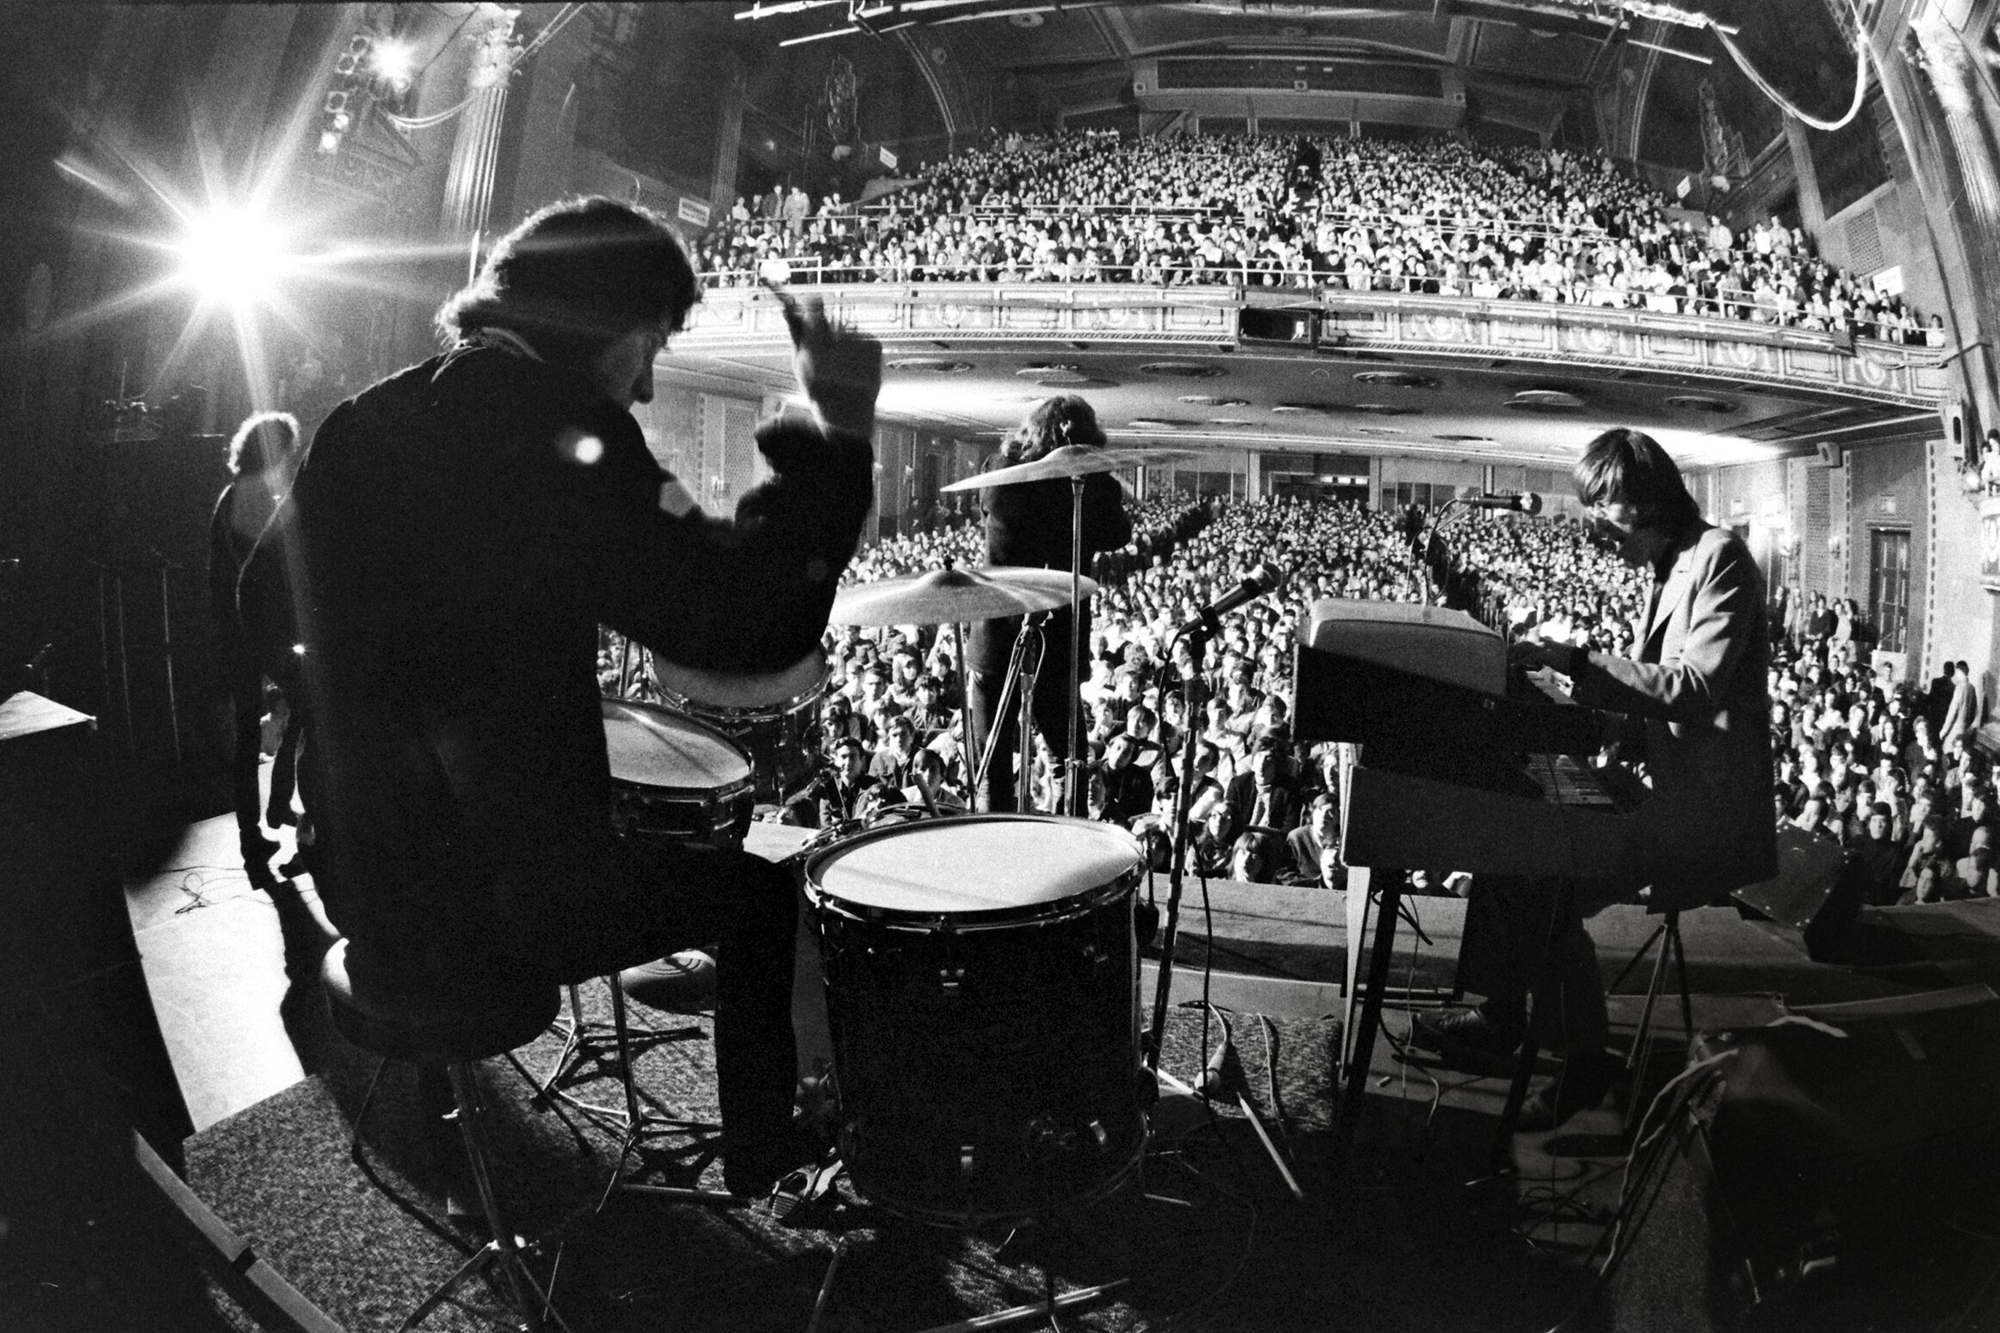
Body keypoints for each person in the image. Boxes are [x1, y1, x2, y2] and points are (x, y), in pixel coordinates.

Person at [239, 197, 881, 1196]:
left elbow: (261, 603)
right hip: (493, 907)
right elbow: (738, 624)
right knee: (758, 894)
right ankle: (770, 1150)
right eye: (650, 344)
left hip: (360, 877)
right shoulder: (554, 427)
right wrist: (835, 433)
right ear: (600, 317)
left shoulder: (367, 416)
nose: (648, 380)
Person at [1417, 428, 1775, 1131]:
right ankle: (1502, 1013)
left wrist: (1582, 664)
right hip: (1659, 787)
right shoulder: (1668, 564)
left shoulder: (1719, 557)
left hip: (1702, 814)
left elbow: (1694, 689)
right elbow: (1655, 708)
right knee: (1513, 834)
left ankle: (1584, 1059)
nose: (1597, 531)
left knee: (1549, 881)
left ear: (1641, 503)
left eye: (1602, 510)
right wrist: (1572, 703)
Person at [966, 396, 1132, 812]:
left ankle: (993, 855)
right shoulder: (1091, 485)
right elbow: (1119, 535)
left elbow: (983, 509)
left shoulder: (999, 470)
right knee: (1067, 764)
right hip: (1058, 629)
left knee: (992, 767)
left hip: (996, 626)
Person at [209, 410, 304, 882]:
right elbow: (260, 573)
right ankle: (270, 814)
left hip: (237, 634)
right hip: (252, 633)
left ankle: (261, 826)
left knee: (251, 735)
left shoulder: (235, 494)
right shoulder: (251, 497)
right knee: (300, 708)